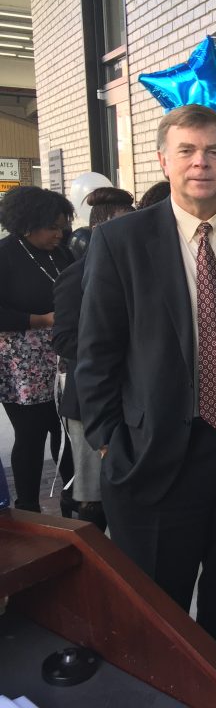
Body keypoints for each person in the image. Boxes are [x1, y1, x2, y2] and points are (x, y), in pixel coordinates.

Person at [75, 104, 216, 668]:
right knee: (154, 608)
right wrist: (106, 441)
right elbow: (94, 353)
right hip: (151, 456)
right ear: (163, 160)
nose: (202, 162)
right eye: (188, 151)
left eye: (214, 151)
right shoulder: (121, 241)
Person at [52, 187, 135, 530]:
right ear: (105, 227)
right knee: (93, 499)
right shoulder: (76, 275)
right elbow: (64, 339)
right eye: (127, 223)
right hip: (91, 402)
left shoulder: (140, 270)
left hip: (135, 399)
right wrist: (112, 352)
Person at [0, 186, 75, 513]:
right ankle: (28, 506)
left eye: (62, 226)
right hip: (21, 361)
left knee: (68, 431)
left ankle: (73, 500)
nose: (59, 234)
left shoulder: (63, 253)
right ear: (28, 223)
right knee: (31, 435)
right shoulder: (5, 254)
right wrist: (40, 320)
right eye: (52, 227)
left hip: (63, 355)